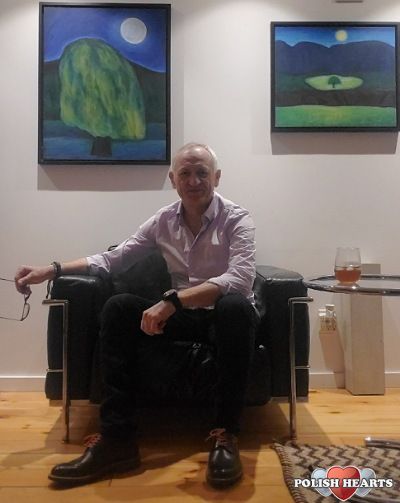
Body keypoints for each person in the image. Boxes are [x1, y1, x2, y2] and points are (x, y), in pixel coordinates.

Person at [15, 142, 258, 489]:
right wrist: (51, 270)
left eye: (202, 173)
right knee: (119, 307)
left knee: (235, 306)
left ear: (216, 177)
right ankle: (118, 439)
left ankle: (225, 434)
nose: (193, 181)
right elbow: (113, 259)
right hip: (185, 316)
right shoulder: (163, 221)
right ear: (173, 179)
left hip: (225, 319)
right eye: (185, 173)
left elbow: (240, 279)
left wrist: (173, 301)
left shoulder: (237, 218)